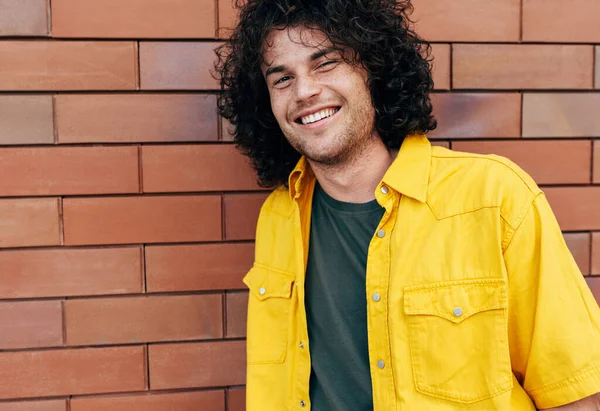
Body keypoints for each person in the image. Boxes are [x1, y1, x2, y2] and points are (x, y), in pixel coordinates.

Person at [214, 0, 600, 409]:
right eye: (282, 79)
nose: (305, 91)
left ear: (372, 70)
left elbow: (573, 393)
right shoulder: (278, 216)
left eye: (325, 63)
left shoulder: (495, 197)